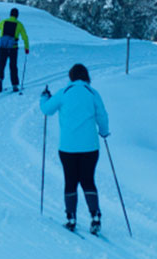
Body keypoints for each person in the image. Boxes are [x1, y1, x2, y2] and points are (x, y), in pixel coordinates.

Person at [40, 63, 110, 234]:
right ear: (86, 76)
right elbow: (102, 115)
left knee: (70, 181)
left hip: (68, 147)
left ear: (71, 76)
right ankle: (95, 216)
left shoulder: (64, 92)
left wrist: (44, 97)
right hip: (90, 147)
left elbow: (47, 110)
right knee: (88, 180)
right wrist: (104, 132)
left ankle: (71, 218)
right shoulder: (92, 93)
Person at [0, 8, 29, 92]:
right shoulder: (19, 24)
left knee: (1, 63)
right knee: (13, 66)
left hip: (3, 47)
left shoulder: (3, 22)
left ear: (10, 14)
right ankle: (15, 85)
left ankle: (0, 79)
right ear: (17, 15)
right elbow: (25, 37)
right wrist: (26, 48)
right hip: (13, 48)